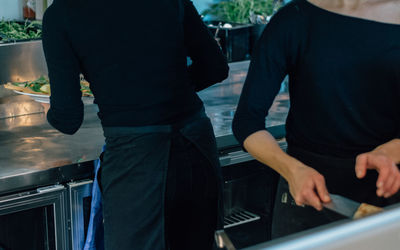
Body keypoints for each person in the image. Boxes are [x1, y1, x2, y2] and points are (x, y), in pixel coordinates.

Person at [41, 0, 229, 249]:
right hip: (197, 147)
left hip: (137, 162)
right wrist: (161, 91)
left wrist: (48, 111)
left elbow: (67, 118)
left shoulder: (62, 13)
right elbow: (215, 67)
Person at [232, 0, 400, 238]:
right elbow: (247, 121)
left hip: (389, 198)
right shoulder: (294, 19)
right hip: (305, 195)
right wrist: (291, 169)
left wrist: (390, 152)